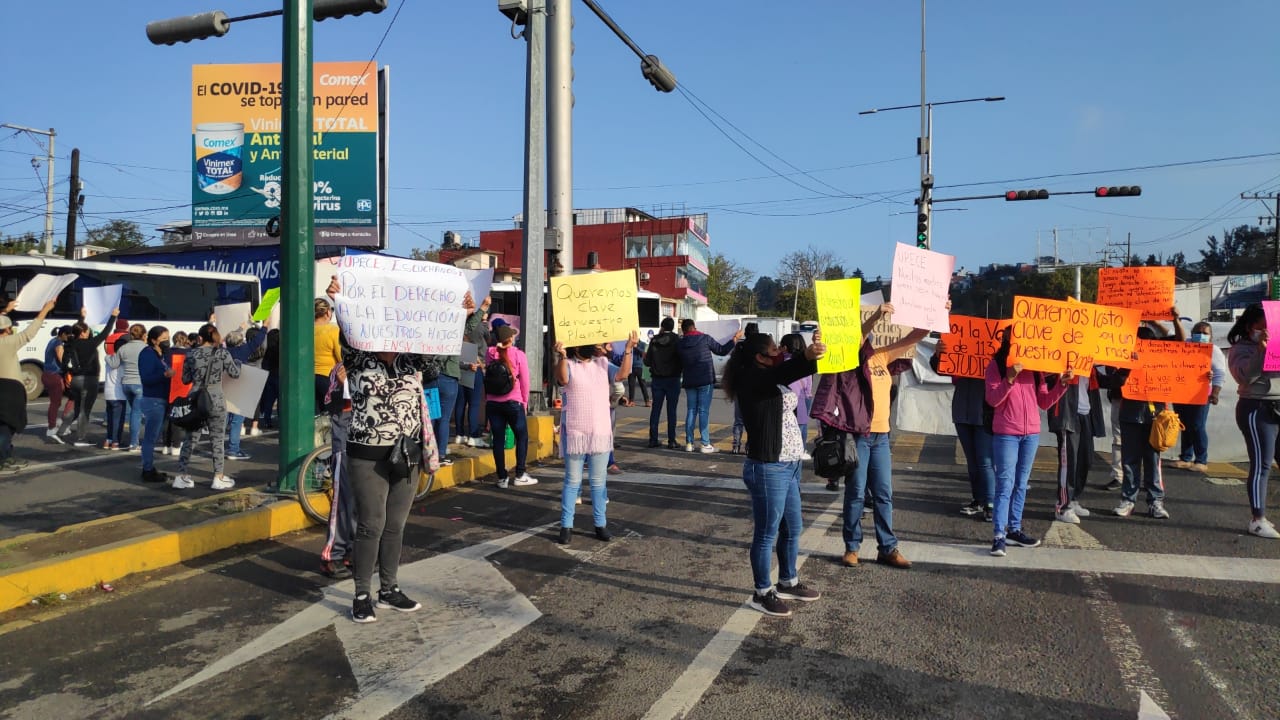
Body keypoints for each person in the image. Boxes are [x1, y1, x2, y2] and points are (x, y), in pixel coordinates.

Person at [326, 276, 453, 623]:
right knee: (371, 524)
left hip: (407, 452)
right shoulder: (358, 357)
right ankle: (361, 594)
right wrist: (340, 302)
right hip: (367, 453)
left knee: (395, 525)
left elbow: (439, 346)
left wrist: (463, 312)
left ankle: (389, 589)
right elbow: (347, 332)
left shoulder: (413, 360)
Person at [724, 330, 827, 617]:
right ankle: (761, 592)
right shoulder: (751, 378)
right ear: (760, 357)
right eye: (774, 349)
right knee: (766, 533)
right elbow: (784, 372)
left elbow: (785, 372)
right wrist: (806, 357)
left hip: (790, 464)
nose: (780, 351)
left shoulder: (769, 376)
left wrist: (814, 351)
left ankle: (788, 581)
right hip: (768, 466)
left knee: (793, 528)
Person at [818, 303, 926, 570]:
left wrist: (936, 311)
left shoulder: (881, 356)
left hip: (881, 437)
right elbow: (857, 337)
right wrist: (876, 316)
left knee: (883, 493)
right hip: (858, 436)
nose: (868, 338)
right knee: (856, 492)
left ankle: (887, 548)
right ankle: (852, 547)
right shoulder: (850, 359)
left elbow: (915, 336)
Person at [985, 327, 1071, 556]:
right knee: (1005, 484)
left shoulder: (1035, 368)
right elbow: (992, 399)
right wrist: (1009, 379)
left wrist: (1061, 385)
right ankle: (999, 535)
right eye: (1015, 333)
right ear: (1006, 337)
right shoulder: (996, 365)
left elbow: (1043, 402)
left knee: (1021, 484)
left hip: (1031, 434)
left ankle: (1014, 530)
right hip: (1006, 433)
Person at [554, 332, 637, 545]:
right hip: (575, 433)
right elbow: (563, 379)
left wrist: (628, 349)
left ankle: (600, 524)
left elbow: (622, 375)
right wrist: (561, 356)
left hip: (600, 432)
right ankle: (566, 525)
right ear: (576, 346)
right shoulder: (568, 364)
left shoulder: (603, 364)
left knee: (598, 482)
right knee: (572, 481)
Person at [1114, 312, 1185, 519]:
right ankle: (1129, 500)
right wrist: (1126, 367)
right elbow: (1114, 382)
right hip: (1130, 415)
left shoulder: (1162, 357)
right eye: (1139, 343)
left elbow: (1181, 341)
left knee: (1153, 460)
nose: (1142, 347)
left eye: (1146, 344)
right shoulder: (1123, 359)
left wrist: (1175, 319)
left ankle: (1155, 501)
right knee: (1130, 460)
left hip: (1156, 417)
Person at [1226, 305, 1280, 539]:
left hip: (1278, 405)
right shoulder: (1240, 349)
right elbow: (1244, 377)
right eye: (1263, 327)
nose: (1268, 332)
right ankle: (1257, 519)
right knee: (1262, 464)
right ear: (1250, 327)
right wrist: (1261, 352)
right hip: (1257, 408)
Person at [930, 336, 995, 520]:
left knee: (985, 461)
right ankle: (978, 499)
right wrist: (938, 354)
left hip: (984, 412)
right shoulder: (960, 342)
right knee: (972, 461)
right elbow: (940, 369)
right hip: (962, 412)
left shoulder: (993, 349)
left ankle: (991, 503)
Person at [173, 323, 240, 491]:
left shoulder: (191, 354)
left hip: (196, 400)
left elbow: (185, 380)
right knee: (217, 439)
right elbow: (235, 373)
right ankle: (218, 477)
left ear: (200, 338)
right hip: (216, 399)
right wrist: (237, 363)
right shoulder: (223, 353)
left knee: (190, 439)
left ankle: (181, 476)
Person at [0, 300, 57, 471]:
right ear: (7, 330)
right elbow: (29, 332)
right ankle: (3, 459)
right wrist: (45, 309)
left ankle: (6, 454)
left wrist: (6, 310)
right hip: (8, 389)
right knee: (6, 426)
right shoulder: (7, 343)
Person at [1047, 367, 1105, 524]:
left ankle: (1073, 499)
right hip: (1067, 414)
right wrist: (1060, 376)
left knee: (1085, 460)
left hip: (1086, 414)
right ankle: (1063, 506)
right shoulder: (1061, 360)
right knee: (1069, 462)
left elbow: (1107, 381)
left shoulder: (1089, 364)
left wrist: (1124, 370)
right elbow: (1047, 377)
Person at [58, 309, 121, 447]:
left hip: (75, 379)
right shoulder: (91, 343)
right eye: (87, 331)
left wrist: (81, 318)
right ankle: (80, 439)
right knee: (84, 410)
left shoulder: (70, 343)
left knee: (77, 408)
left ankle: (60, 431)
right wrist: (113, 317)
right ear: (83, 333)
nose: (89, 332)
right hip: (89, 379)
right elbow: (106, 332)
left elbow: (76, 330)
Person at [676, 319, 740, 453]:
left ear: (683, 330)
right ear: (694, 327)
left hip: (689, 381)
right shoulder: (705, 339)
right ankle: (705, 444)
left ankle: (689, 443)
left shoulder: (680, 343)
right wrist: (734, 339)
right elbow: (721, 351)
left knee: (691, 410)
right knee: (703, 411)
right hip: (705, 379)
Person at [1173, 321, 1226, 472]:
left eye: (1205, 333)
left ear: (1211, 337)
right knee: (1184, 424)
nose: (1201, 335)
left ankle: (1201, 460)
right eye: (1198, 332)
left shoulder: (1214, 350)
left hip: (1201, 393)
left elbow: (1220, 373)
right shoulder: (1185, 345)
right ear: (1192, 333)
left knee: (1197, 425)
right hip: (1182, 391)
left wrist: (1215, 393)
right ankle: (1186, 457)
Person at [486, 325, 534, 488]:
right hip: (513, 401)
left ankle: (502, 477)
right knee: (522, 436)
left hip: (493, 403)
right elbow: (525, 382)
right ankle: (520, 474)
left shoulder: (489, 353)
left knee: (498, 440)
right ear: (511, 338)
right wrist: (524, 403)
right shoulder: (519, 355)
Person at [137, 326, 175, 483]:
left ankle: (149, 467)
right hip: (153, 399)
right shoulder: (147, 354)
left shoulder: (162, 355)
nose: (167, 341)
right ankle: (147, 469)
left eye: (168, 338)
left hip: (163, 398)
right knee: (150, 437)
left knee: (155, 435)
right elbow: (146, 378)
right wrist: (164, 375)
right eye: (164, 338)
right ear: (154, 340)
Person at [223, 326, 266, 461]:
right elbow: (257, 341)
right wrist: (264, 327)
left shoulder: (222, 352)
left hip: (224, 388)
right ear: (240, 343)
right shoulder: (243, 351)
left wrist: (239, 328)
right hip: (240, 388)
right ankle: (233, 449)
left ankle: (217, 448)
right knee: (237, 421)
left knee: (222, 421)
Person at [455, 296, 492, 449]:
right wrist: (484, 320)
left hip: (459, 364)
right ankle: (474, 436)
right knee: (474, 403)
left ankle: (459, 434)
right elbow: (489, 338)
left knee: (460, 402)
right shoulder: (480, 326)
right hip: (475, 363)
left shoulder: (457, 326)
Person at [644, 317, 682, 449]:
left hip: (657, 379)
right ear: (673, 326)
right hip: (673, 379)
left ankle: (653, 439)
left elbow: (647, 362)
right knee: (672, 410)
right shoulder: (677, 340)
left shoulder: (654, 340)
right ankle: (671, 440)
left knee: (656, 410)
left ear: (662, 326)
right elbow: (682, 358)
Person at [778, 333, 813, 460]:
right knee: (802, 426)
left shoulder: (782, 364)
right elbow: (809, 386)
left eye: (780, 346)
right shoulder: (806, 364)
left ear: (785, 348)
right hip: (802, 398)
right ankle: (801, 451)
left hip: (786, 401)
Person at [115, 324, 148, 451]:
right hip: (139, 382)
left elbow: (115, 363)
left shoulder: (123, 348)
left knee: (134, 412)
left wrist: (107, 358)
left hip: (126, 383)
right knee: (136, 413)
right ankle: (134, 443)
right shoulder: (146, 348)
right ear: (143, 335)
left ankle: (133, 441)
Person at [41, 325, 75, 443]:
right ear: (63, 334)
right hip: (53, 375)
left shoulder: (53, 340)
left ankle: (59, 423)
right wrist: (71, 368)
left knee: (64, 399)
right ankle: (51, 429)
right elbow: (62, 360)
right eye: (69, 335)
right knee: (55, 403)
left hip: (48, 374)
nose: (70, 338)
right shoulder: (58, 344)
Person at [314, 298, 342, 413]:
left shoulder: (306, 330)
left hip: (308, 378)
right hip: (328, 378)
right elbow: (341, 357)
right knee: (330, 414)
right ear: (327, 313)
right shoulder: (333, 330)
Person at [103, 335, 129, 450]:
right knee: (118, 420)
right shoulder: (123, 362)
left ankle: (108, 440)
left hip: (108, 393)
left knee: (110, 419)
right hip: (119, 394)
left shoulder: (108, 358)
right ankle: (115, 442)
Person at [627, 340, 650, 407]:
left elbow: (644, 353)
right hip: (631, 367)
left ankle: (647, 401)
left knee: (643, 384)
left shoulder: (643, 344)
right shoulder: (629, 343)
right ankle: (631, 401)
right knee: (631, 385)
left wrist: (636, 347)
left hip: (640, 367)